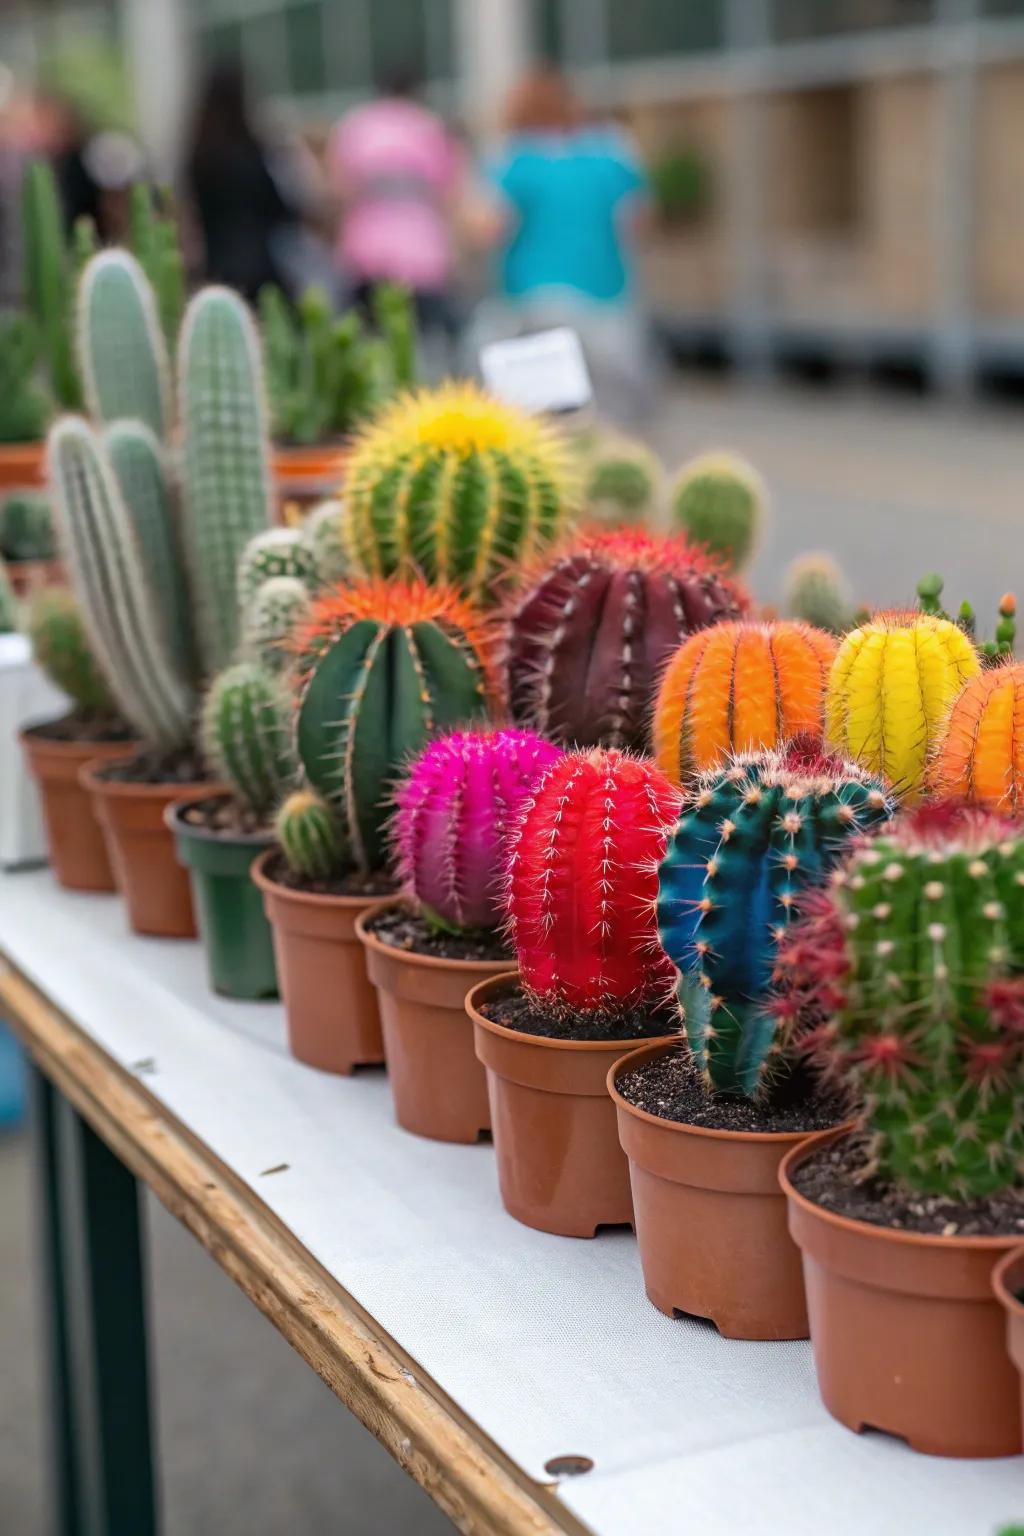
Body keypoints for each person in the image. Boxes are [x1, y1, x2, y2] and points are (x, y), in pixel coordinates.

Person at [473, 68, 653, 421]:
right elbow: (640, 222)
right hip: (608, 299)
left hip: (536, 301)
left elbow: (488, 229)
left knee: (547, 419)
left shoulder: (517, 159)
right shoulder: (610, 154)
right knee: (611, 417)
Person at [327, 69, 462, 352]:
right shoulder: (427, 125)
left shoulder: (357, 125)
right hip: (422, 251)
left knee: (370, 342)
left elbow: (340, 190)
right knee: (426, 344)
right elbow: (447, 192)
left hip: (367, 249)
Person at [185, 60, 309, 301]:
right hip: (260, 268)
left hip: (217, 267)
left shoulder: (199, 154)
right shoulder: (252, 152)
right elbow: (280, 210)